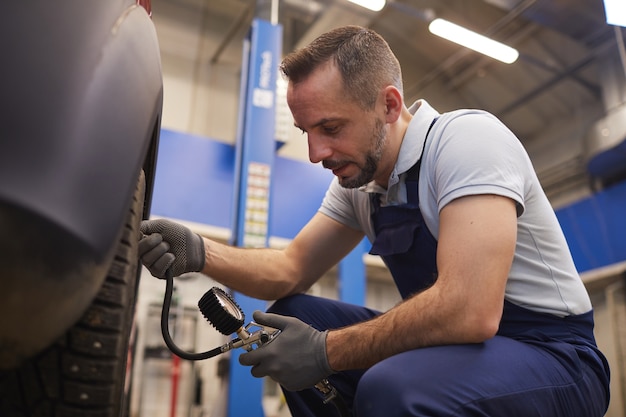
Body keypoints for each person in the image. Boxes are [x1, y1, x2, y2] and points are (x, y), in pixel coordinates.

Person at [139, 25, 610, 417]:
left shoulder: (467, 142)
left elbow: (470, 308)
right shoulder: (360, 185)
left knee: (394, 388)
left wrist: (325, 353)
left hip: (555, 357)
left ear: (388, 105)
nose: (315, 153)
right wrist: (200, 251)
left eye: (330, 128)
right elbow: (288, 268)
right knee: (293, 318)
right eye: (306, 132)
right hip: (462, 349)